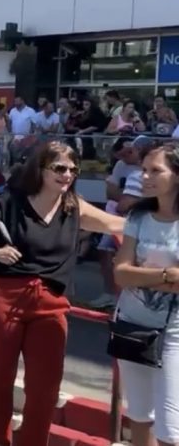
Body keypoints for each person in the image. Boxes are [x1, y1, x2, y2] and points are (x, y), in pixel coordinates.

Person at [0, 141, 123, 446]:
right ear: (41, 169)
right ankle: (0, 438)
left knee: (46, 384)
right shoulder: (11, 202)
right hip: (1, 297)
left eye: (73, 169)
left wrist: (162, 221)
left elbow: (120, 224)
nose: (67, 174)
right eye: (59, 168)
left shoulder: (74, 206)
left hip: (50, 301)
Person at [114, 143, 179, 446]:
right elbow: (120, 272)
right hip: (132, 324)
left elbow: (130, 273)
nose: (146, 177)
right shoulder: (138, 217)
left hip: (174, 332)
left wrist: (139, 277)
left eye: (156, 170)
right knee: (140, 415)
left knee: (170, 428)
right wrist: (165, 276)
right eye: (144, 170)